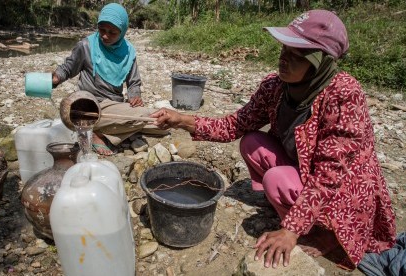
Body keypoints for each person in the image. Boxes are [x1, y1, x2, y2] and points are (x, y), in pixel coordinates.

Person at [151, 10, 396, 270]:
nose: (282, 60)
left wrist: (290, 231)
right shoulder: (275, 86)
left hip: (342, 191)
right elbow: (235, 125)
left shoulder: (343, 94)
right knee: (251, 141)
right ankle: (288, 203)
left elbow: (330, 175)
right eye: (283, 50)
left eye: (294, 55)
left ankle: (324, 234)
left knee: (276, 179)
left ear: (318, 62)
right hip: (303, 170)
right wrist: (182, 120)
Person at [52, 3, 167, 155]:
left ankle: (96, 128)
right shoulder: (86, 46)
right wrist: (55, 79)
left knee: (162, 125)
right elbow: (67, 68)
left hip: (113, 104)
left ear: (123, 31)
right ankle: (100, 134)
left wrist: (135, 96)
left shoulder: (128, 52)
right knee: (148, 120)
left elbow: (133, 81)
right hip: (89, 105)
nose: (105, 36)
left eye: (112, 32)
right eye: (102, 30)